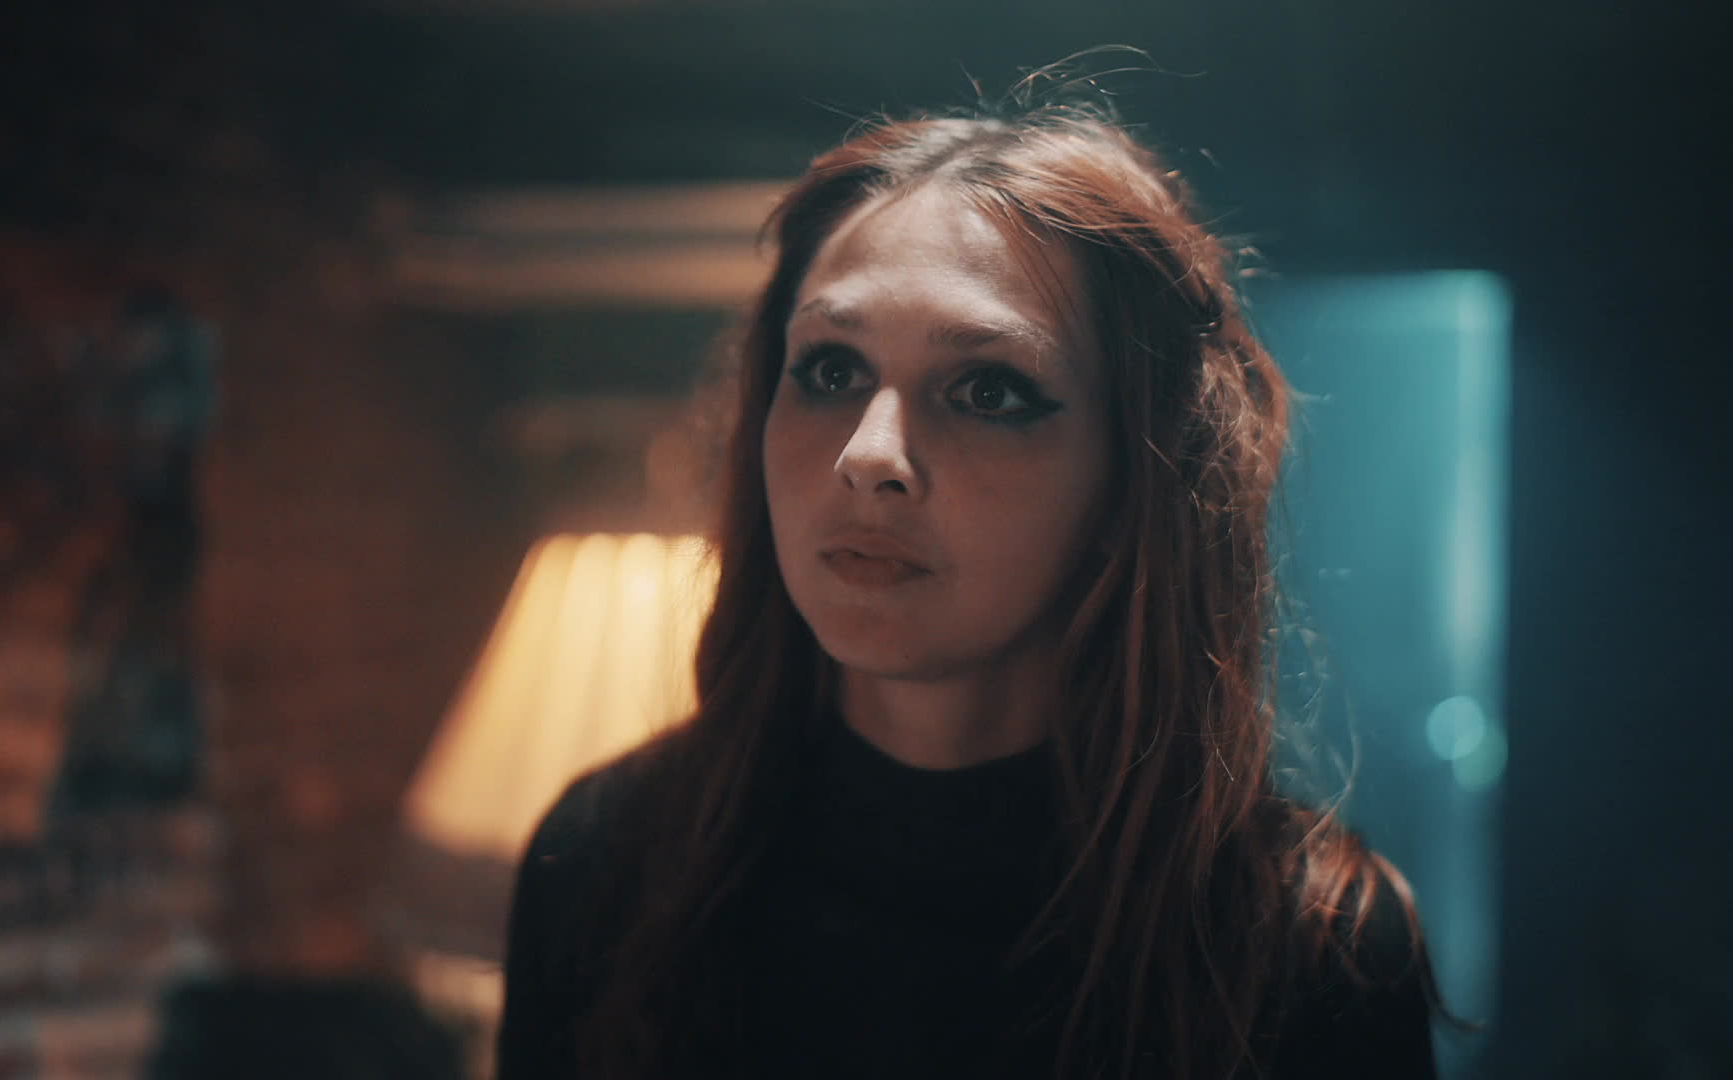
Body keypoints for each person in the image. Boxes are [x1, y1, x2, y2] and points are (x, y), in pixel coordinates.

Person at [497, 85, 1443, 1080]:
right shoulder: (610, 861)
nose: (870, 455)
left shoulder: (1306, 949)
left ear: (1137, 476)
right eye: (829, 371)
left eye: (989, 390)